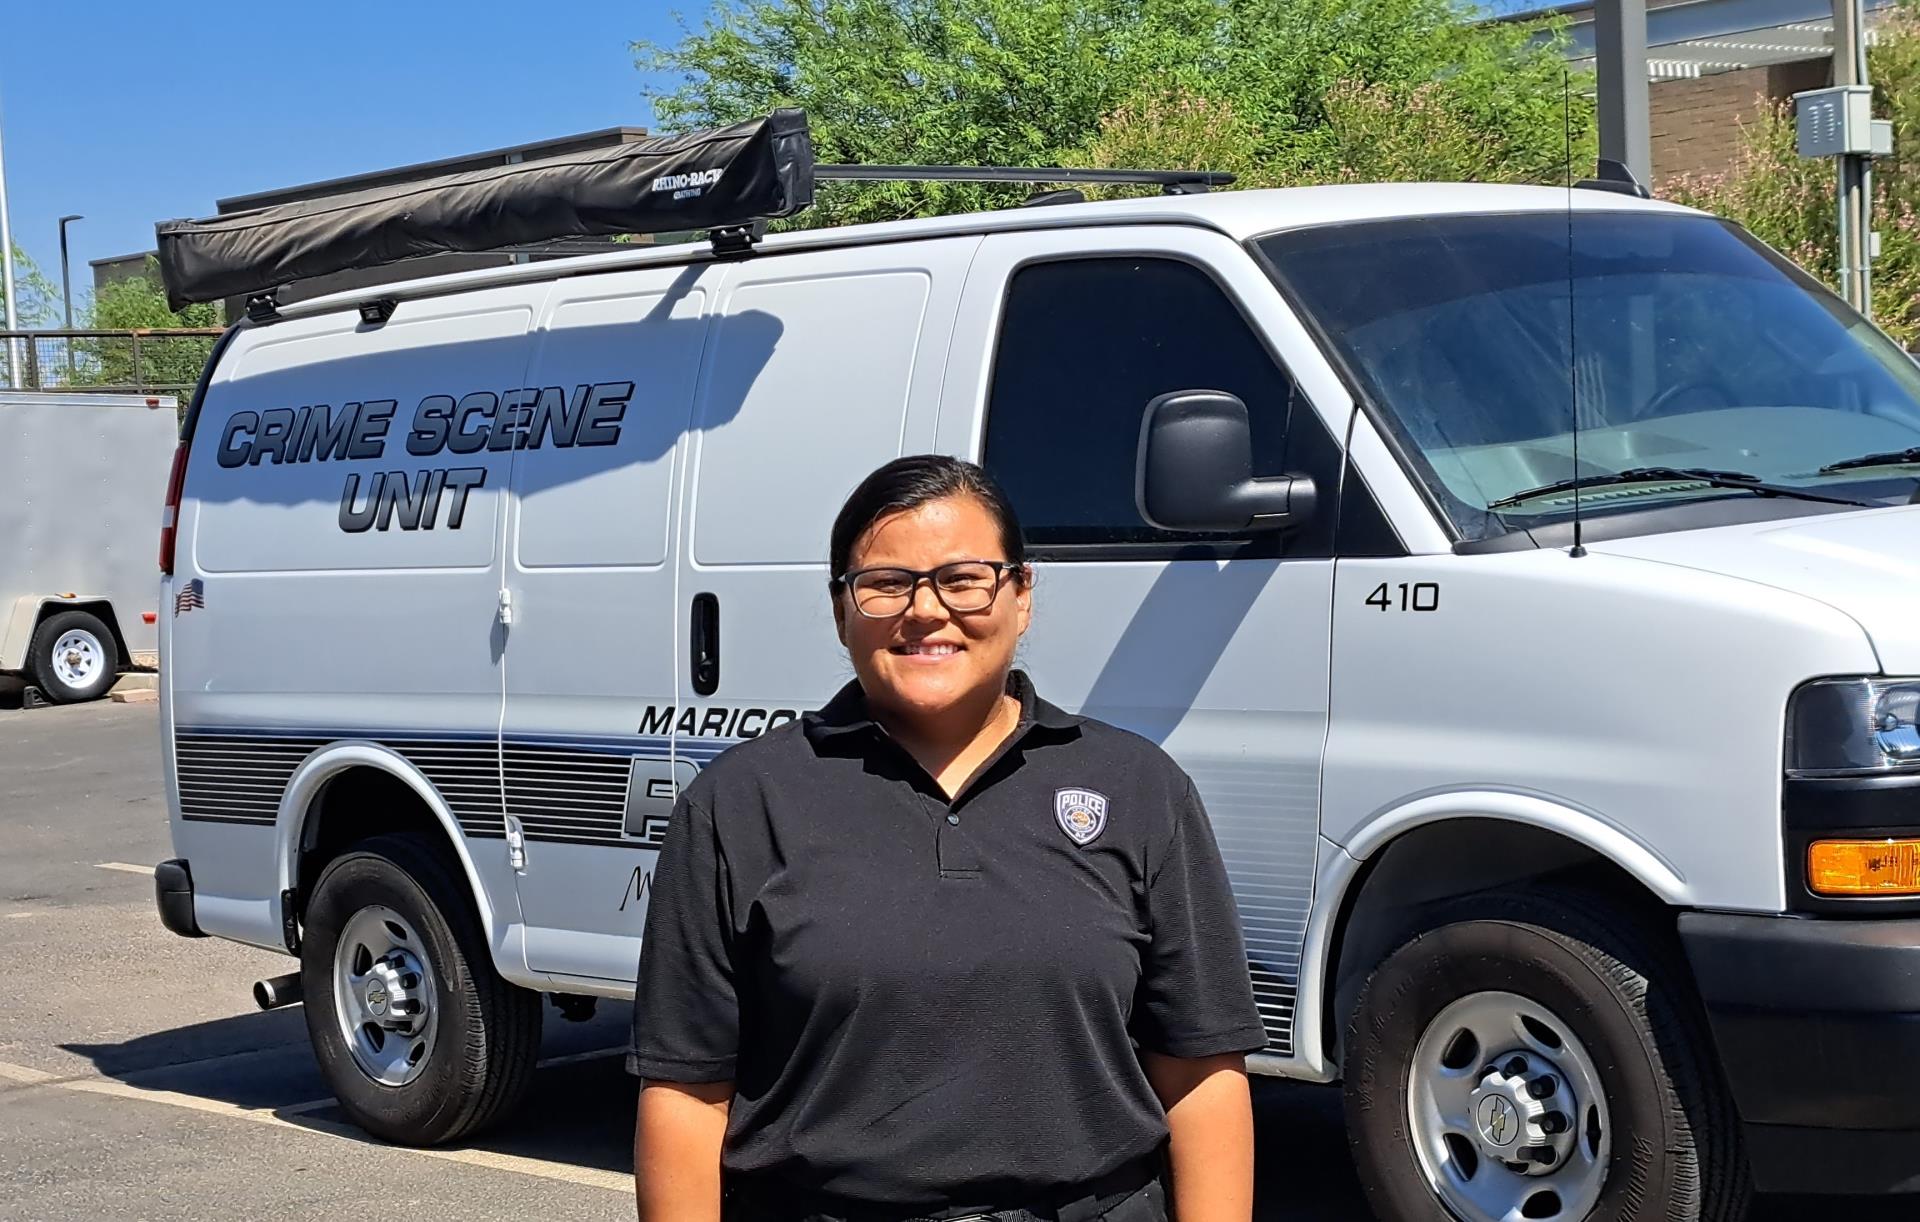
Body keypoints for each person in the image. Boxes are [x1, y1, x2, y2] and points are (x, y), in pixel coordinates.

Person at [630, 455, 1265, 1222]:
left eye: (963, 578)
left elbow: (1201, 1074)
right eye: (886, 583)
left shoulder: (1138, 790)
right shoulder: (739, 804)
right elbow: (686, 1094)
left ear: (1021, 594)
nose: (925, 611)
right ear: (841, 611)